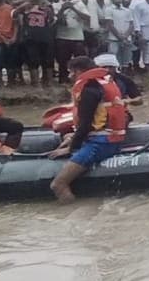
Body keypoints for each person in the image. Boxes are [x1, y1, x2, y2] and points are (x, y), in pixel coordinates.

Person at [46, 56, 129, 202]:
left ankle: (73, 220)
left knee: (58, 185)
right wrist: (72, 137)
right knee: (67, 138)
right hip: (109, 139)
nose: (70, 76)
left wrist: (71, 148)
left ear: (78, 71)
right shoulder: (103, 83)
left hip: (100, 143)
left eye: (70, 72)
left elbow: (84, 125)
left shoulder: (89, 90)